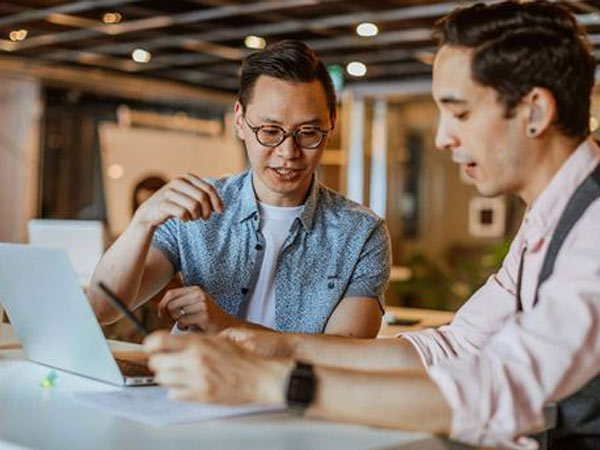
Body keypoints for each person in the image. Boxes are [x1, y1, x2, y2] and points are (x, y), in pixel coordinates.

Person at [144, 2, 600, 449]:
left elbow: (500, 391)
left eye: (459, 112)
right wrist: (276, 348)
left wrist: (271, 381)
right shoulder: (552, 217)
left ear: (536, 112)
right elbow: (448, 349)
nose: (443, 138)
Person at [89, 40, 391, 338]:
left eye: (308, 132)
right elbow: (103, 309)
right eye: (270, 131)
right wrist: (142, 222)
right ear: (239, 120)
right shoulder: (197, 208)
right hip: (193, 384)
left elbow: (346, 353)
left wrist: (229, 326)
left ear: (332, 123)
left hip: (288, 389)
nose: (288, 152)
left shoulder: (361, 233)